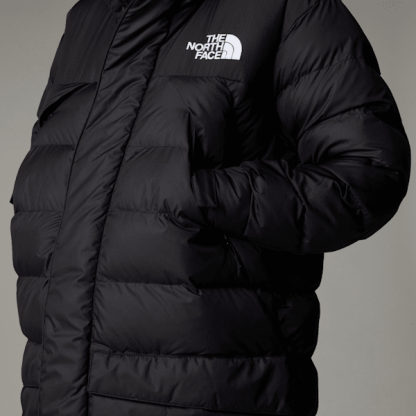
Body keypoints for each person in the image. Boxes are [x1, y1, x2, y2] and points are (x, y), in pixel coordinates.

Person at [9, 0, 411, 415]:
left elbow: (368, 170)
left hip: (210, 390)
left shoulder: (288, 10)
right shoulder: (88, 17)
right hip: (58, 393)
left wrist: (204, 195)